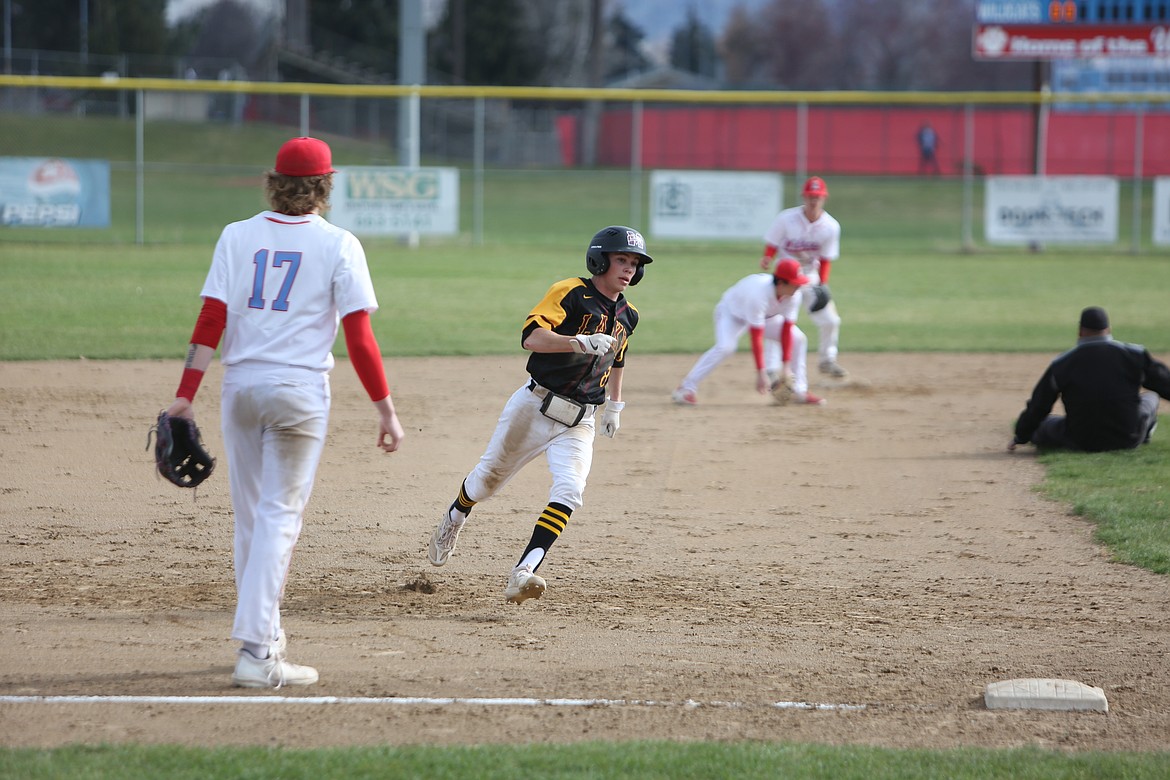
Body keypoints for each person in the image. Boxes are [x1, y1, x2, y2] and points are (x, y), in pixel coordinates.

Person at [161, 136, 406, 688]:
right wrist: (385, 411)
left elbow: (210, 319)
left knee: (251, 516)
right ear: (325, 186)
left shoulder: (236, 235)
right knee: (279, 517)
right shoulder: (340, 243)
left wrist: (185, 393)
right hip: (298, 394)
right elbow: (359, 338)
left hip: (240, 389)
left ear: (274, 181)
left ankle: (264, 642)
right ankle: (254, 651)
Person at [428, 226, 652, 604]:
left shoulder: (628, 314)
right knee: (486, 483)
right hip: (535, 406)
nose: (629, 269)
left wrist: (615, 405)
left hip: (581, 420)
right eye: (621, 260)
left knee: (570, 490)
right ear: (600, 259)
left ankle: (524, 571)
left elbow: (618, 359)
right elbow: (531, 338)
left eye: (634, 263)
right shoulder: (571, 292)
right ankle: (454, 518)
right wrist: (577, 341)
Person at [1009, 306, 1170, 453]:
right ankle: (1145, 433)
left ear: (1080, 331)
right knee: (1152, 397)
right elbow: (1165, 383)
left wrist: (1021, 436)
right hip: (1129, 437)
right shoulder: (1134, 355)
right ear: (1109, 330)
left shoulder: (1062, 363)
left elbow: (1039, 405)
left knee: (1043, 425)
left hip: (1080, 440)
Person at [671, 259, 824, 407]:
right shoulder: (759, 295)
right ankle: (685, 389)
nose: (798, 288)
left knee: (798, 338)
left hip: (767, 316)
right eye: (795, 284)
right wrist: (761, 373)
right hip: (732, 314)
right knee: (726, 347)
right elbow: (756, 336)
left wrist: (785, 367)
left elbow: (786, 329)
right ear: (781, 282)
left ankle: (800, 391)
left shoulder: (793, 295)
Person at [758, 176, 847, 379]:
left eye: (817, 196)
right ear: (804, 197)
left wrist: (822, 283)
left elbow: (825, 259)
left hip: (809, 276)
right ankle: (772, 368)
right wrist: (767, 258)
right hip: (785, 276)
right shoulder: (786, 218)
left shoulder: (831, 226)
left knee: (831, 320)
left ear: (824, 198)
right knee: (777, 321)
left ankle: (827, 360)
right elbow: (772, 241)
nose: (813, 200)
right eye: (810, 196)